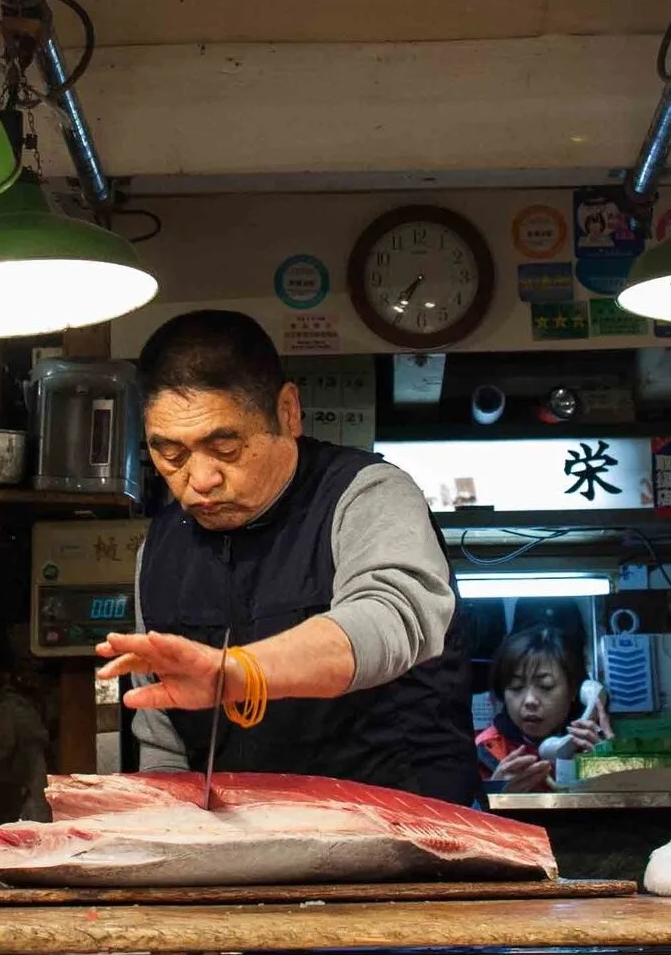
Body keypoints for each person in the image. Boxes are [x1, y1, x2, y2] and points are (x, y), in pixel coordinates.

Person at [96, 311, 475, 804]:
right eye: (170, 454)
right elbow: (164, 736)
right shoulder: (161, 547)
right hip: (249, 855)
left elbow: (391, 617)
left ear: (288, 411)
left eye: (225, 446)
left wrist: (238, 674)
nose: (200, 478)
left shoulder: (368, 494)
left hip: (405, 840)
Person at [476, 624, 609, 792]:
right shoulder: (483, 752)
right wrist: (495, 792)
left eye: (546, 687)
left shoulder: (593, 743)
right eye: (516, 687)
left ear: (574, 690)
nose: (530, 701)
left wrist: (611, 767)